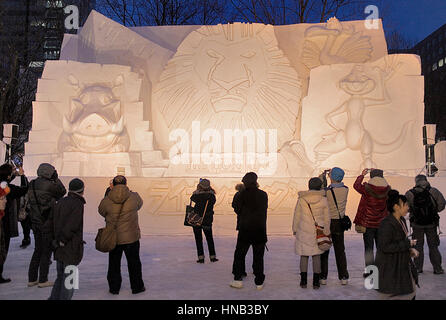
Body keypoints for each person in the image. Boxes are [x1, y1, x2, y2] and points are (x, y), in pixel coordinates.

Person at [98, 175, 145, 295]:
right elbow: (140, 205)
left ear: (112, 184)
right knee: (134, 263)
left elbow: (101, 211)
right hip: (131, 237)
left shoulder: (107, 199)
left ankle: (114, 288)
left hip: (114, 238)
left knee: (114, 264)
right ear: (126, 183)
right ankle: (137, 287)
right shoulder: (134, 197)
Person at [27, 163, 66, 288]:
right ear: (49, 172)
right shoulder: (50, 185)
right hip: (46, 221)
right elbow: (62, 192)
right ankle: (43, 279)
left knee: (37, 250)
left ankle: (32, 279)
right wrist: (56, 179)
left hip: (35, 220)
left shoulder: (31, 183)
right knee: (46, 251)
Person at [376, 190, 419, 300]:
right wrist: (407, 244)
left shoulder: (402, 220)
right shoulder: (386, 223)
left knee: (410, 291)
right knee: (388, 294)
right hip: (390, 266)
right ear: (396, 207)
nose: (407, 207)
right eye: (405, 205)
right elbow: (384, 246)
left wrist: (409, 249)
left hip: (401, 264)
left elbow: (401, 240)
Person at [48, 178, 86, 300]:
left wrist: (56, 241)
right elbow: (73, 225)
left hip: (59, 248)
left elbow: (52, 223)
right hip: (70, 247)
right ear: (81, 190)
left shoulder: (61, 202)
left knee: (60, 277)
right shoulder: (78, 204)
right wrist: (63, 240)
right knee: (70, 281)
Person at [230, 172, 268, 290]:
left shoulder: (241, 194)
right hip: (259, 229)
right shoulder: (263, 194)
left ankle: (238, 279)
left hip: (245, 229)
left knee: (240, 254)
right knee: (258, 256)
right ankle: (259, 282)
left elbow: (236, 208)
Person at [293, 177, 330, 290]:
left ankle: (303, 281)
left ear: (309, 186)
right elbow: (327, 218)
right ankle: (316, 282)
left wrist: (295, 229)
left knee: (304, 255)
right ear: (320, 186)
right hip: (317, 232)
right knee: (316, 256)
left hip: (303, 231)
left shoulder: (302, 200)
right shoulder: (323, 199)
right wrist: (327, 230)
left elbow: (297, 216)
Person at [353, 168, 390, 277]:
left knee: (369, 249)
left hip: (368, 224)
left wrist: (362, 175)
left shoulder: (367, 188)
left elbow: (356, 186)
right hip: (382, 224)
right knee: (381, 248)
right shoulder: (387, 189)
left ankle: (370, 271)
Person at [405, 174, 445, 274]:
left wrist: (413, 212)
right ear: (426, 180)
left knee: (418, 246)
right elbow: (442, 204)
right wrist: (434, 211)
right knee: (433, 246)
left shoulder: (410, 193)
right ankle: (437, 268)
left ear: (416, 181)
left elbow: (405, 207)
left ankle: (418, 268)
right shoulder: (434, 191)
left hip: (416, 224)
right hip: (431, 224)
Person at [319, 167, 349, 285]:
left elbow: (322, 190)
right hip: (339, 223)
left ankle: (323, 277)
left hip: (328, 222)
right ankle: (343, 277)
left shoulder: (326, 191)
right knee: (340, 250)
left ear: (332, 177)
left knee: (325, 249)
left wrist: (323, 176)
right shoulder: (346, 189)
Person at [0, 164, 29, 284]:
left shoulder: (3, 184)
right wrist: (22, 176)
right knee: (2, 247)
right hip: (3, 221)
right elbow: (22, 189)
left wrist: (12, 175)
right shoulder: (5, 188)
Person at [190, 178, 218, 263]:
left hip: (196, 219)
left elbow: (192, 198)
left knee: (198, 239)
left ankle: (201, 257)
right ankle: (212, 257)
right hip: (207, 220)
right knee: (209, 238)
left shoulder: (196, 196)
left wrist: (198, 190)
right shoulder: (212, 196)